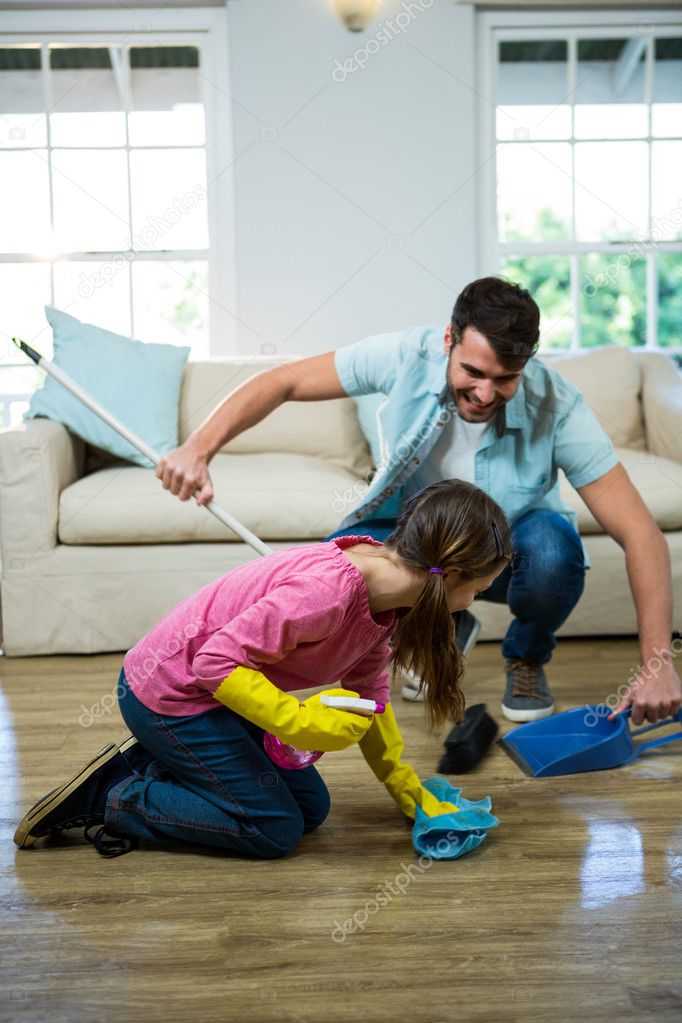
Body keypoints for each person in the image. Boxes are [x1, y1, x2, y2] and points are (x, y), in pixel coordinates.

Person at [152, 276, 681, 727]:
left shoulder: (558, 404)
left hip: (513, 540)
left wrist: (657, 662)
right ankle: (442, 626)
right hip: (412, 531)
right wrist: (198, 448)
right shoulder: (406, 355)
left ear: (527, 364)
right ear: (449, 339)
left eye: (505, 380)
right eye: (472, 373)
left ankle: (525, 657)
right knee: (336, 568)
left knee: (555, 556)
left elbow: (641, 535)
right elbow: (284, 380)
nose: (485, 394)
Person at [14, 480, 512, 859]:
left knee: (313, 811)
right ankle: (117, 795)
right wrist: (293, 720)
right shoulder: (329, 591)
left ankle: (165, 764)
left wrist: (406, 787)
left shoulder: (389, 602)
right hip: (169, 695)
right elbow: (213, 662)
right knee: (273, 829)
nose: (475, 602)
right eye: (479, 590)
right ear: (448, 575)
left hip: (220, 698)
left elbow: (370, 697)